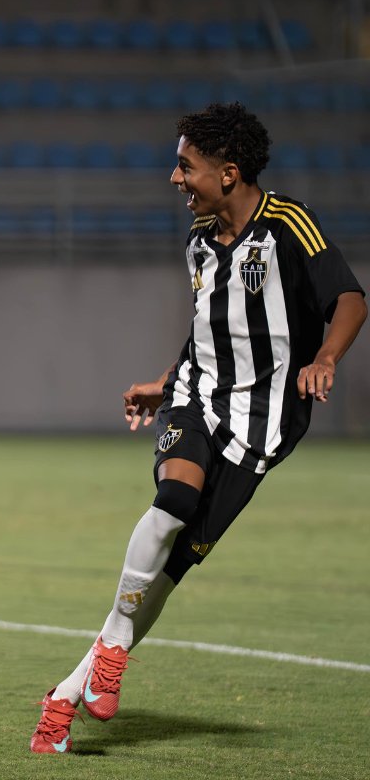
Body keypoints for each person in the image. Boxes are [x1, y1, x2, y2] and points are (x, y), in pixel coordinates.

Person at [30, 102, 366, 754]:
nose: (174, 177)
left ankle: (67, 695)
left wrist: (326, 358)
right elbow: (207, 334)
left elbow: (348, 298)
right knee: (175, 500)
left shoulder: (289, 225)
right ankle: (109, 664)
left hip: (263, 428)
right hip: (197, 400)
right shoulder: (198, 242)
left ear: (229, 172)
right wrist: (165, 385)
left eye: (186, 166)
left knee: (171, 573)